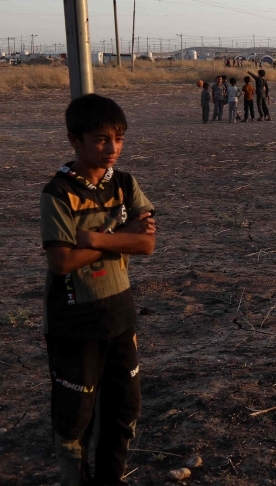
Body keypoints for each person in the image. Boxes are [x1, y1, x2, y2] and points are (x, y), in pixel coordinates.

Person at [40, 94, 156, 486]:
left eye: (119, 139)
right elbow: (61, 263)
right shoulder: (58, 193)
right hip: (75, 320)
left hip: (120, 314)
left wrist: (92, 238)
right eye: (102, 140)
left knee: (125, 409)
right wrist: (122, 235)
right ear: (75, 140)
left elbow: (148, 245)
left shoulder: (124, 183)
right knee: (76, 417)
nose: (113, 149)